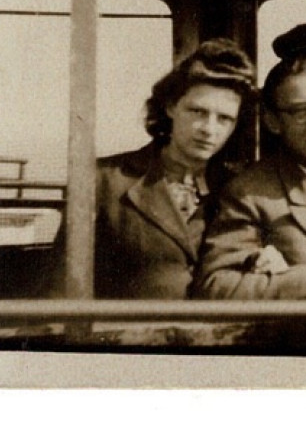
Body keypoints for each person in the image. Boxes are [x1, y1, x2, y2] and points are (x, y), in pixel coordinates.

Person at [195, 22, 306, 302]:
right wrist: (303, 287)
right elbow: (215, 287)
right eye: (301, 111)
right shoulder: (249, 193)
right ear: (273, 121)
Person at [88, 38, 253, 299]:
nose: (209, 129)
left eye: (224, 118)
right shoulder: (105, 179)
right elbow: (63, 286)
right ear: (171, 106)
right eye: (198, 111)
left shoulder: (242, 190)